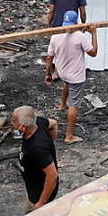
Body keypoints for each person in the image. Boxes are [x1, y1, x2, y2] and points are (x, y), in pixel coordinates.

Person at [45, 10, 97, 143]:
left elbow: (49, 57)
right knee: (74, 104)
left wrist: (48, 73)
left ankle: (62, 105)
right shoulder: (80, 36)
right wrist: (94, 33)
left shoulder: (56, 35)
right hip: (76, 76)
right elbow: (93, 53)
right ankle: (69, 136)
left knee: (67, 84)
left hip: (63, 72)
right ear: (76, 22)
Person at [11, 106, 59, 211]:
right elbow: (53, 123)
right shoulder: (39, 122)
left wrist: (41, 203)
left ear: (23, 127)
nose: (11, 123)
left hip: (39, 193)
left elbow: (52, 175)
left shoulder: (37, 148)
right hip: (32, 182)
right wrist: (50, 144)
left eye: (14, 121)